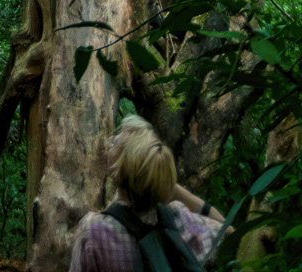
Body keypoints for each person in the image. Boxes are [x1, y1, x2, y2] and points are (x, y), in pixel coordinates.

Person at [69, 115, 225, 272]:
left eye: (115, 144)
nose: (110, 140)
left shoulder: (95, 230)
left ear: (121, 168)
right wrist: (167, 184)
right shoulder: (177, 218)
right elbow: (229, 234)